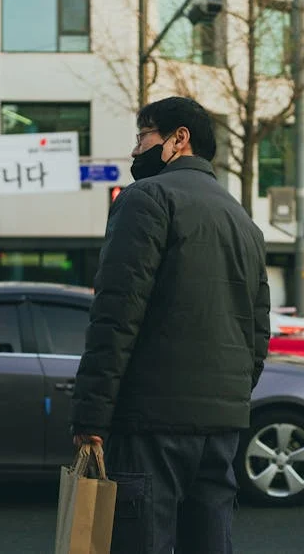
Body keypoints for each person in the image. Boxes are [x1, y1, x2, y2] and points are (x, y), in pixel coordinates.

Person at [71, 97, 270, 553]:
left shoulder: (147, 199)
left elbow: (116, 316)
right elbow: (258, 332)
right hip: (221, 428)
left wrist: (91, 415)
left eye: (143, 137)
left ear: (179, 139)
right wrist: (232, 400)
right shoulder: (243, 221)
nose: (135, 150)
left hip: (151, 423)